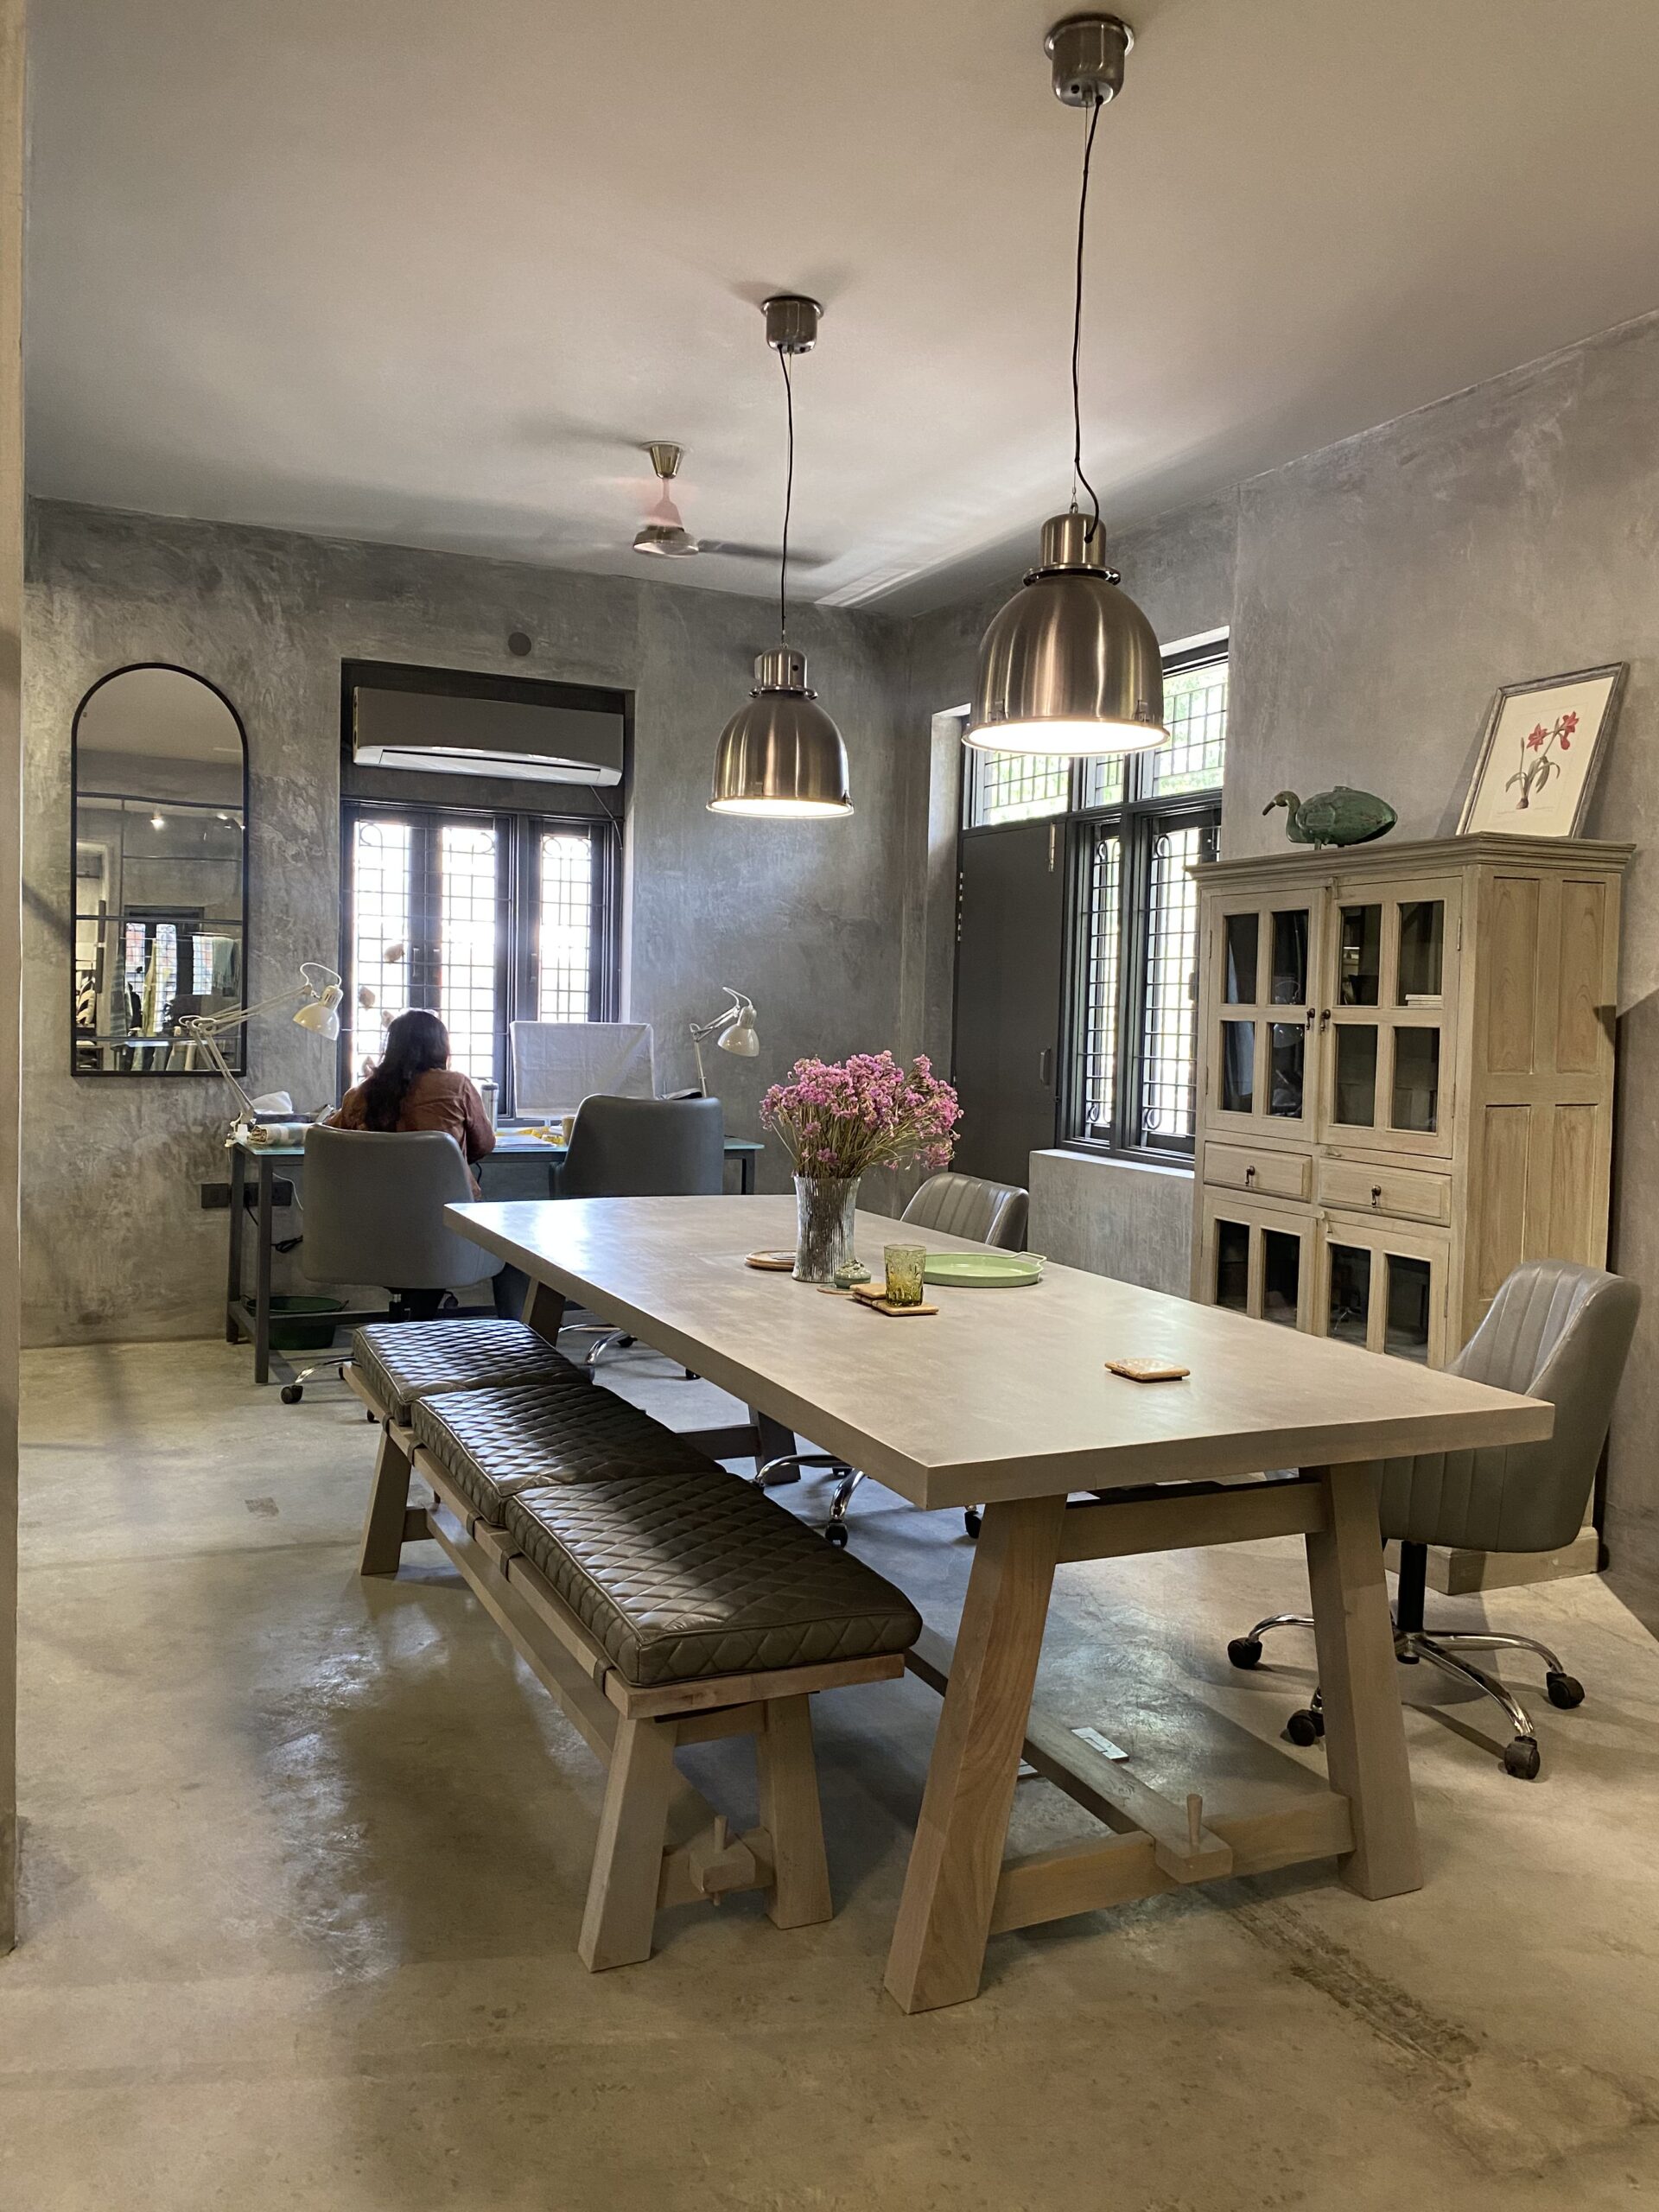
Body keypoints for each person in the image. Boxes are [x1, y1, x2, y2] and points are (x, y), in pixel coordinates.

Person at [327, 1008, 496, 1195]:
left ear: (392, 1048)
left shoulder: (359, 1095)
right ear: (441, 1048)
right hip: (447, 1207)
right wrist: (449, 1156)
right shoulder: (457, 1086)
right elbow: (485, 1144)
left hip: (375, 1208)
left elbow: (329, 1139)